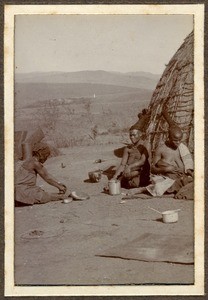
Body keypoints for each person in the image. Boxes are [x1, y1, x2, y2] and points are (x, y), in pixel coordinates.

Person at [151, 125, 194, 194]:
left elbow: (187, 163)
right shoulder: (161, 149)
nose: (178, 142)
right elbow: (152, 169)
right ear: (169, 138)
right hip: (166, 178)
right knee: (158, 186)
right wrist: (166, 169)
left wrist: (190, 173)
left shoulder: (182, 148)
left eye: (180, 140)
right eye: (175, 140)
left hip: (181, 177)